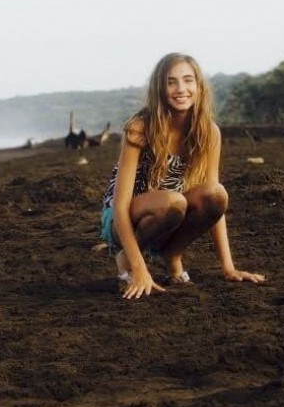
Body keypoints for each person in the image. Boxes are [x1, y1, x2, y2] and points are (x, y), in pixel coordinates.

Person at [100, 53, 266, 299]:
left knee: (216, 193)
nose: (181, 89)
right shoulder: (140, 128)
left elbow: (214, 207)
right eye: (171, 82)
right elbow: (120, 205)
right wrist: (139, 268)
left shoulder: (209, 132)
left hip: (171, 211)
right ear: (160, 88)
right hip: (122, 218)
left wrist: (228, 267)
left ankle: (172, 255)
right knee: (174, 201)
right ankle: (126, 261)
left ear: (198, 86)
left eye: (188, 80)